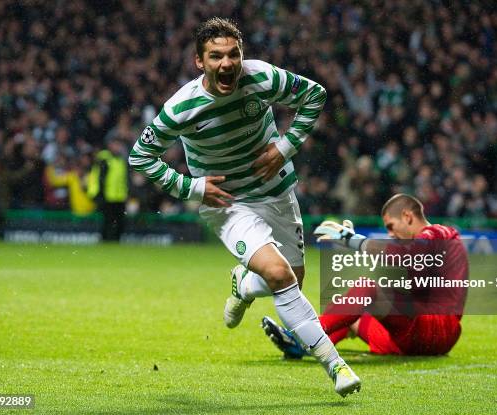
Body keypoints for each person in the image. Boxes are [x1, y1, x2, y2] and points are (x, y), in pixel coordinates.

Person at [128, 17, 360, 397]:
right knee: (281, 276)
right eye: (216, 56)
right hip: (229, 203)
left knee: (292, 281)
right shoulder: (182, 107)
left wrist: (285, 147)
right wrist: (191, 187)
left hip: (277, 190)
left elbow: (314, 94)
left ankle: (244, 285)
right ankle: (335, 366)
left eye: (233, 54)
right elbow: (141, 156)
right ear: (199, 62)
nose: (227, 63)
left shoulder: (262, 78)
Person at [263, 193, 468, 358]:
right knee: (350, 311)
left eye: (391, 226)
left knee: (366, 288)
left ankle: (306, 335)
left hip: (435, 328)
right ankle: (309, 347)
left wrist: (351, 240)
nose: (390, 234)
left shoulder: (440, 233)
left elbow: (404, 259)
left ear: (407, 216)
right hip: (412, 339)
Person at [88, 140, 128, 241]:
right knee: (108, 222)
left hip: (120, 197)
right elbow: (100, 178)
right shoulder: (105, 159)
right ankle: (106, 240)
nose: (117, 147)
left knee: (119, 222)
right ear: (110, 145)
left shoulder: (121, 160)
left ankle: (114, 241)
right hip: (108, 196)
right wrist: (100, 194)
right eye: (116, 144)